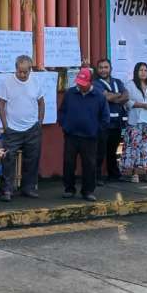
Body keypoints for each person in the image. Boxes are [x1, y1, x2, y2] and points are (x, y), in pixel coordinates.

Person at [0, 54, 44, 201]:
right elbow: (1, 105)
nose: (22, 75)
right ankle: (7, 190)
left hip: (32, 128)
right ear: (16, 69)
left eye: (26, 72)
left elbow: (41, 103)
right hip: (12, 129)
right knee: (8, 159)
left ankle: (28, 188)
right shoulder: (7, 83)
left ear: (31, 70)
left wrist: (39, 122)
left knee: (32, 159)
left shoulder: (36, 82)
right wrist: (5, 126)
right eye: (20, 71)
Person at [59, 67, 108, 201]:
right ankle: (69, 188)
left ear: (91, 82)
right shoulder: (70, 94)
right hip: (71, 135)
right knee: (68, 163)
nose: (80, 85)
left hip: (90, 137)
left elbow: (105, 118)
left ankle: (88, 191)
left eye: (83, 83)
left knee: (89, 164)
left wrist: (95, 130)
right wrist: (65, 126)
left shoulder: (99, 96)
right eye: (79, 82)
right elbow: (62, 111)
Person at [122, 62, 147, 183]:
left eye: (145, 70)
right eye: (141, 70)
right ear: (136, 72)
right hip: (136, 122)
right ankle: (134, 174)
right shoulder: (130, 85)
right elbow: (126, 101)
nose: (143, 72)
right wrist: (141, 105)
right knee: (135, 147)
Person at [94, 58, 130, 184]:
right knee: (99, 151)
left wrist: (113, 97)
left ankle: (114, 175)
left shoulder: (117, 81)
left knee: (112, 151)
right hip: (103, 124)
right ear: (97, 70)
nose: (103, 70)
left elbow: (126, 96)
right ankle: (96, 177)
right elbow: (105, 97)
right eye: (101, 67)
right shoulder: (96, 83)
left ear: (110, 68)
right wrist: (117, 95)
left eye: (106, 67)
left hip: (117, 123)